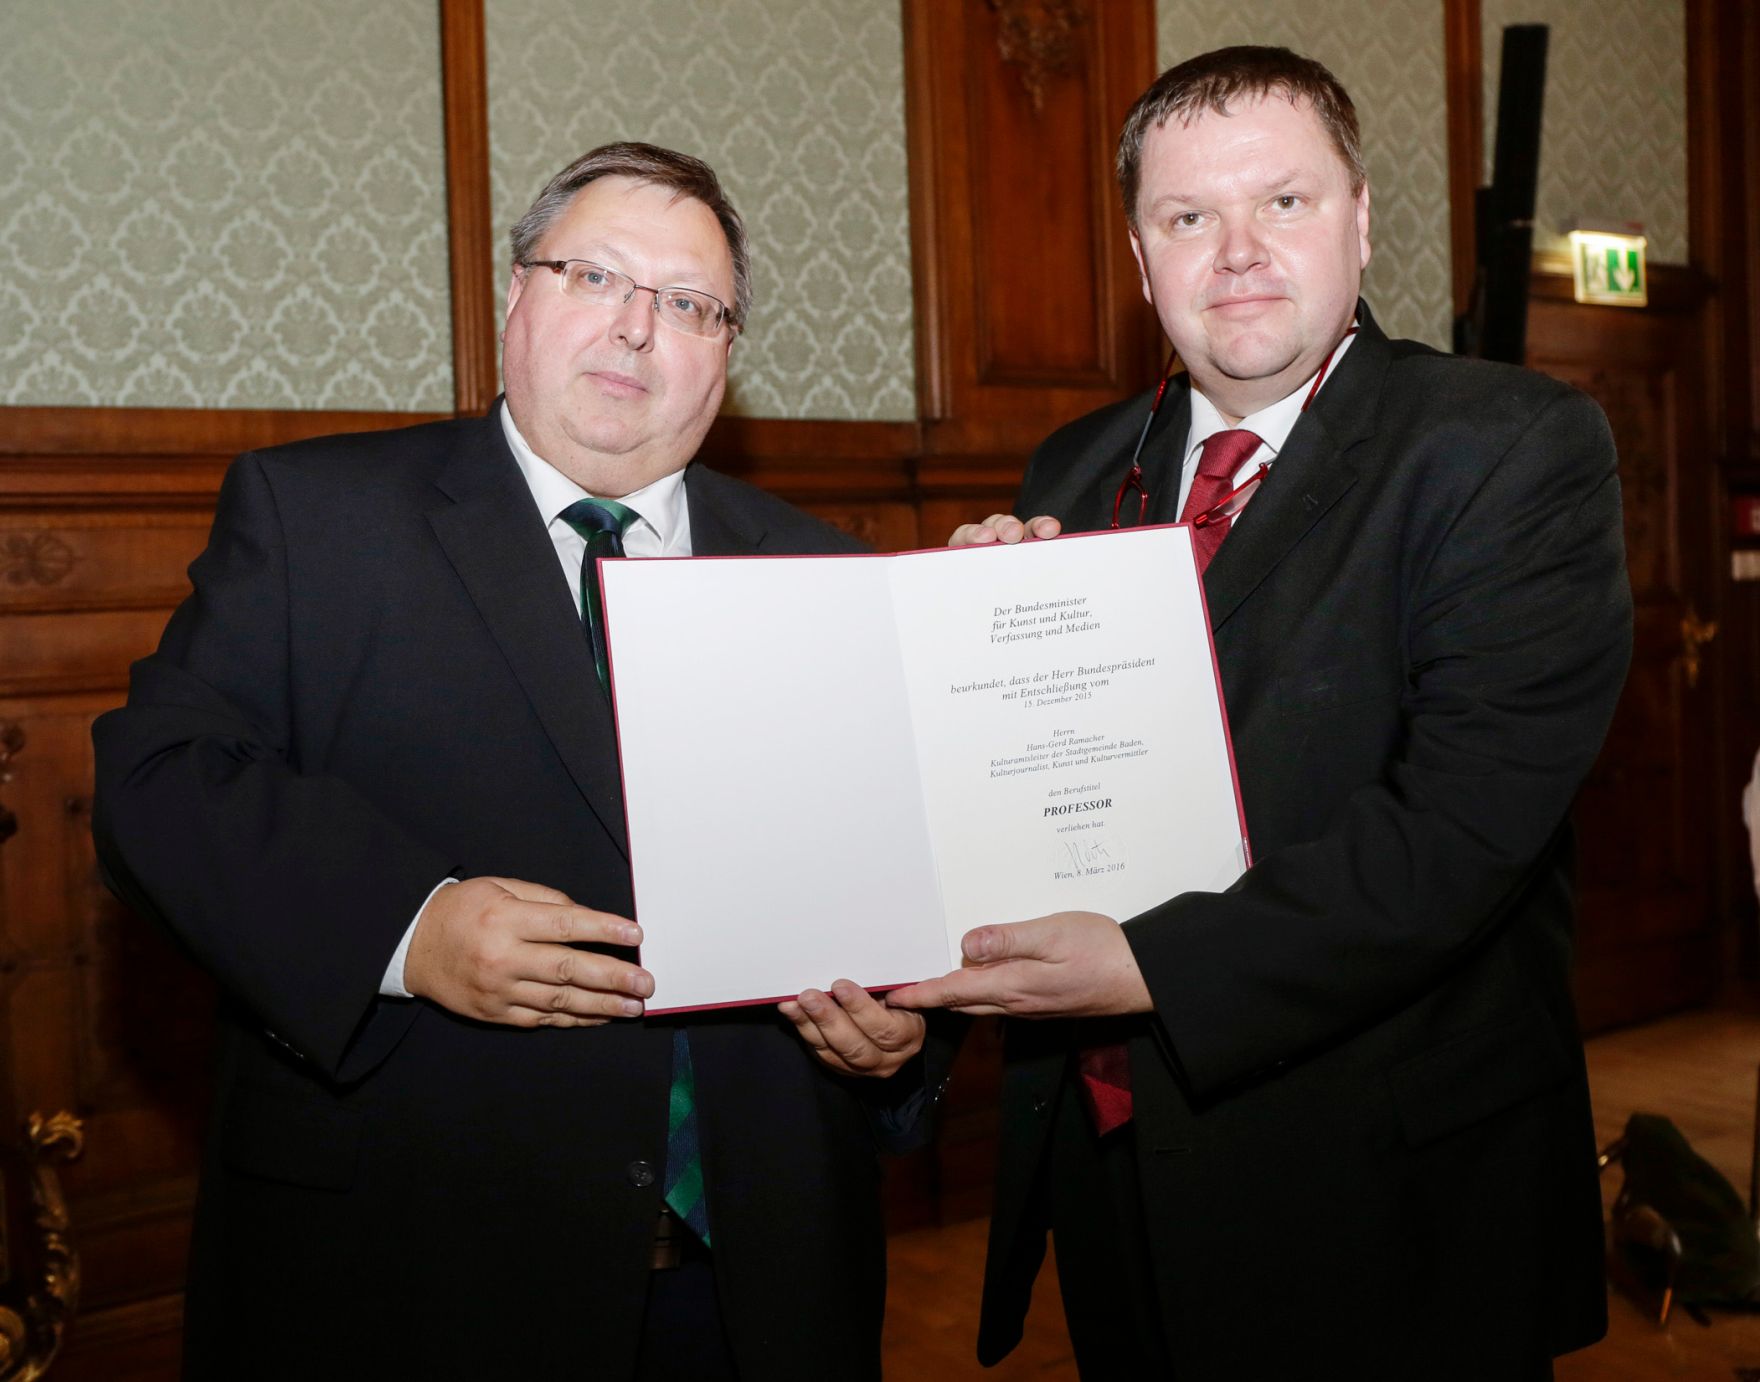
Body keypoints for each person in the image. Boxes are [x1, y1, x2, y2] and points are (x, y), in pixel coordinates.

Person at [92, 142, 931, 1382]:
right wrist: (409, 927)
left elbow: (906, 883)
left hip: (766, 1282)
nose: (637, 330)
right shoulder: (315, 515)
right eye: (593, 276)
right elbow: (156, 782)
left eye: (689, 305)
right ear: (515, 300)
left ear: (726, 351)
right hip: (417, 1277)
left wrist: (903, 1044)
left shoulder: (833, 576)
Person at [889, 47, 1631, 1380]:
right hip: (1116, 1166)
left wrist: (1150, 968)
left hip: (1388, 1192)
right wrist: (972, 657)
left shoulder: (1506, 446)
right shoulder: (1075, 466)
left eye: (1282, 203)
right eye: (1188, 218)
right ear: (1138, 254)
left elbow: (1459, 836)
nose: (1236, 251)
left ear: (1360, 218)